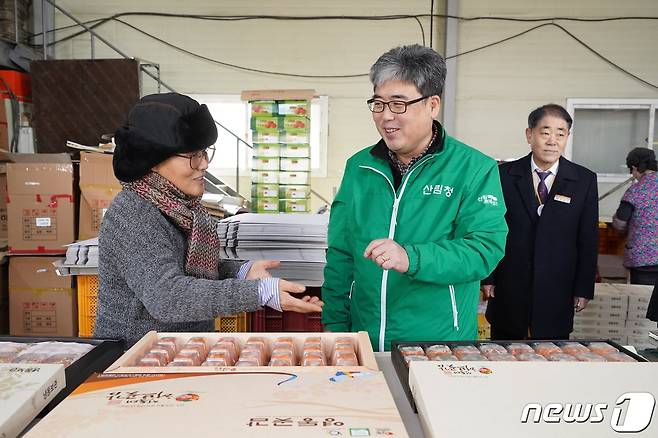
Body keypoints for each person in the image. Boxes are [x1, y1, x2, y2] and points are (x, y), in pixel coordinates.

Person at [94, 93, 322, 346]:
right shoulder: (135, 213)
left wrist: (242, 272)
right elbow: (167, 297)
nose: (203, 164)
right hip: (135, 357)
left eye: (204, 152)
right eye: (193, 155)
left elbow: (188, 267)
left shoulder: (180, 206)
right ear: (153, 160)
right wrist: (258, 292)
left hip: (183, 349)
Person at [321, 44, 508, 352]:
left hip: (436, 344)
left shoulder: (474, 169)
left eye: (398, 104)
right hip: (364, 339)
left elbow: (484, 249)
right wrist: (336, 325)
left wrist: (411, 257)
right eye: (378, 104)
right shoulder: (360, 167)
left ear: (432, 105)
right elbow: (341, 252)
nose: (385, 117)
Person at [482, 104, 599, 340]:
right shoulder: (503, 175)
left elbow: (588, 239)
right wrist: (489, 277)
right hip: (509, 282)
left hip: (558, 285)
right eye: (545, 133)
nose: (552, 141)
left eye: (560, 134)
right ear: (529, 134)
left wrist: (583, 288)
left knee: (551, 352)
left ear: (567, 138)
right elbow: (490, 230)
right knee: (504, 347)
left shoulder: (584, 180)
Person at [612, 147, 658, 285]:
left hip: (643, 260)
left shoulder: (636, 191)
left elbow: (620, 222)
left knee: (644, 302)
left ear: (634, 168)